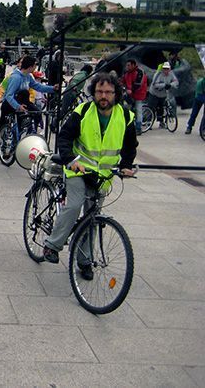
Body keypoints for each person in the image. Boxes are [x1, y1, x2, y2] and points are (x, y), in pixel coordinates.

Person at [42, 72, 138, 280]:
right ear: (93, 92)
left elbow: (130, 146)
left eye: (108, 92)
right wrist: (70, 160)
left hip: (102, 176)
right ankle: (52, 245)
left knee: (92, 218)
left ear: (116, 94)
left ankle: (84, 261)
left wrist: (127, 166)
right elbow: (65, 137)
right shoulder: (83, 111)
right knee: (75, 204)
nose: (104, 96)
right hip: (78, 169)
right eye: (99, 91)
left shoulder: (125, 116)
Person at [0, 56, 58, 143]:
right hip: (10, 104)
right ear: (30, 66)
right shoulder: (16, 77)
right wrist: (17, 106)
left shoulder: (28, 76)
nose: (36, 67)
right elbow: (9, 96)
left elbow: (38, 86)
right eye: (35, 65)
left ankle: (32, 132)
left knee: (37, 112)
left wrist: (52, 88)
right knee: (3, 122)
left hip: (23, 102)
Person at [148, 62, 179, 126]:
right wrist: (164, 85)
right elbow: (154, 84)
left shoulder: (171, 74)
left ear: (169, 69)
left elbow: (176, 82)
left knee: (161, 108)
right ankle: (149, 122)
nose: (166, 70)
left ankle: (161, 122)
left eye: (167, 69)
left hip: (163, 94)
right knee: (151, 107)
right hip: (154, 93)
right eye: (164, 68)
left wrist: (170, 85)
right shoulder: (158, 74)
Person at [121, 59, 147, 135]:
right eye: (127, 65)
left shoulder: (139, 72)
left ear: (133, 65)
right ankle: (127, 125)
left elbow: (138, 84)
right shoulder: (126, 72)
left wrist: (131, 90)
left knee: (138, 110)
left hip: (139, 94)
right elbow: (122, 80)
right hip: (130, 94)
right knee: (126, 108)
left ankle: (139, 128)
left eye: (128, 65)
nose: (127, 67)